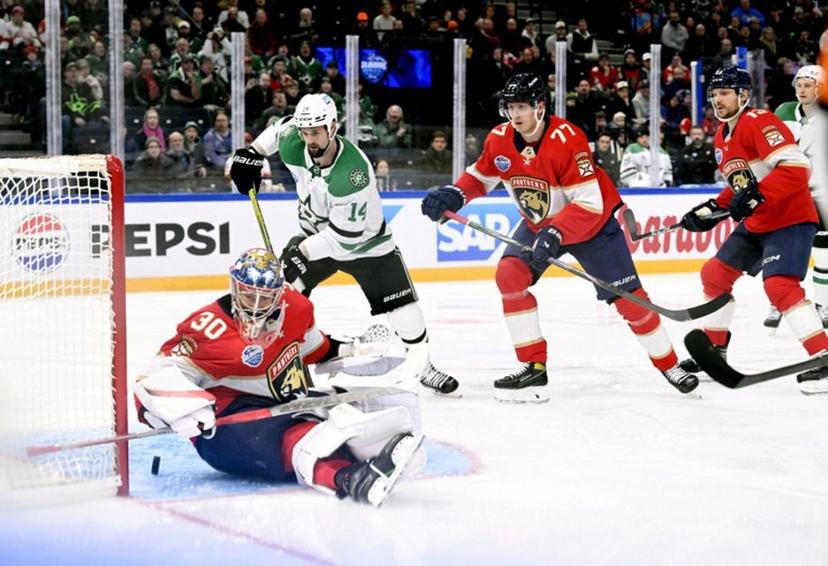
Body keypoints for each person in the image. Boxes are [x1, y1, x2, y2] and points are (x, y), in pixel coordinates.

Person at [420, 73, 699, 400]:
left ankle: (669, 364)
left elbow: (589, 204)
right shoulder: (499, 138)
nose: (515, 114)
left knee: (630, 301)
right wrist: (454, 194)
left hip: (591, 227)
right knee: (510, 275)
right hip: (540, 225)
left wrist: (556, 231)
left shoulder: (568, 138)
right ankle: (534, 367)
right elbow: (481, 177)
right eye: (510, 107)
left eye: (522, 106)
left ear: (540, 107)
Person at [134, 248, 423, 506]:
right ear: (234, 287)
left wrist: (350, 350)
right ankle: (349, 479)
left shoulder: (297, 307)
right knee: (289, 438)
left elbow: (313, 348)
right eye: (248, 294)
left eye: (266, 297)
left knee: (345, 409)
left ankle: (375, 452)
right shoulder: (208, 328)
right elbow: (157, 375)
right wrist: (174, 408)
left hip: (281, 404)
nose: (256, 304)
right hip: (226, 423)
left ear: (279, 293)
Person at [229, 94, 459, 395]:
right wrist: (252, 154)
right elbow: (277, 129)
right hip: (314, 234)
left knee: (403, 309)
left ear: (333, 127)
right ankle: (272, 363)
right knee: (282, 295)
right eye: (305, 132)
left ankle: (422, 365)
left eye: (316, 132)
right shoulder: (294, 138)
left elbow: (344, 239)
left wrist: (302, 252)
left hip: (366, 245)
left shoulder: (352, 173)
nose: (309, 139)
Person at [678, 66, 828, 394]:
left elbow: (796, 168)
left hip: (791, 218)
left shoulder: (760, 121)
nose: (718, 100)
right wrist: (709, 210)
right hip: (759, 222)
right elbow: (741, 187)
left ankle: (823, 356)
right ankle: (715, 351)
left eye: (725, 93)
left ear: (743, 96)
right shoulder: (721, 136)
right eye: (715, 94)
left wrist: (755, 196)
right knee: (714, 275)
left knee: (779, 286)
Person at [763, 65, 827, 329]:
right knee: (783, 253)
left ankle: (823, 304)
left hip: (820, 197)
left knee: (823, 256)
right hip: (788, 195)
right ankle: (778, 303)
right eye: (799, 85)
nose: (802, 89)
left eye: (807, 85)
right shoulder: (783, 111)